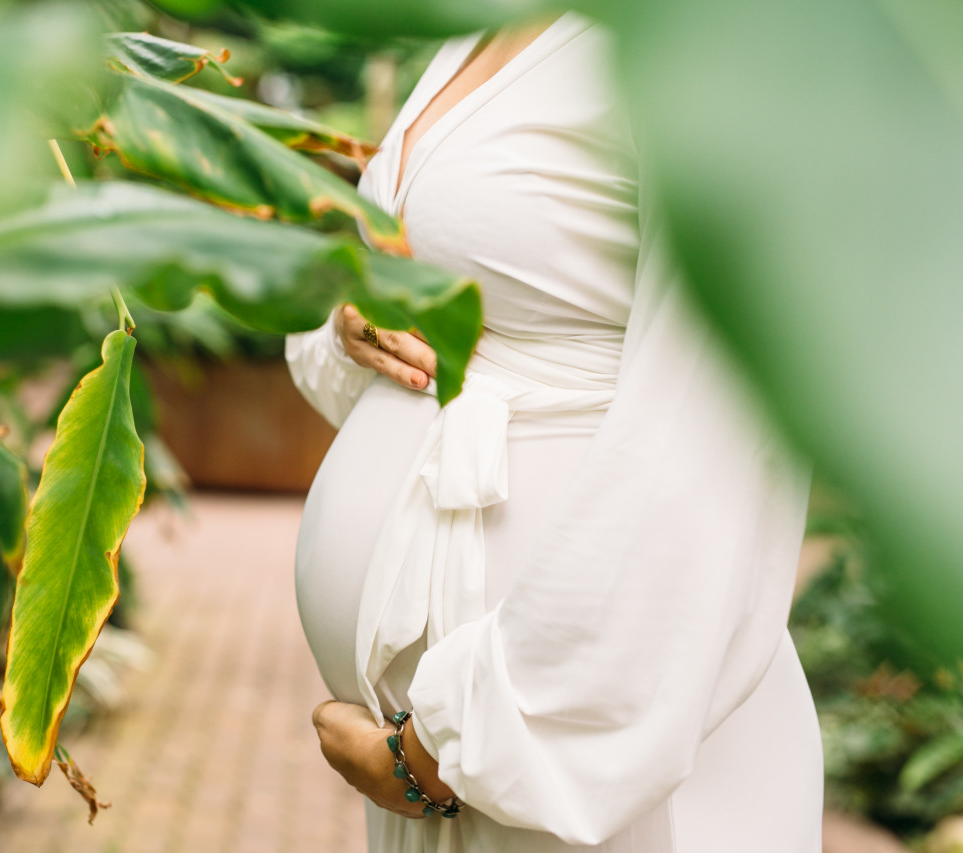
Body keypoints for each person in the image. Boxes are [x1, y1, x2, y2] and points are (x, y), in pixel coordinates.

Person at [285, 10, 822, 853]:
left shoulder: (703, 45)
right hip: (461, 761)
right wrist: (359, 328)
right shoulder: (491, 26)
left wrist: (448, 750)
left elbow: (712, 423)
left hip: (589, 753)